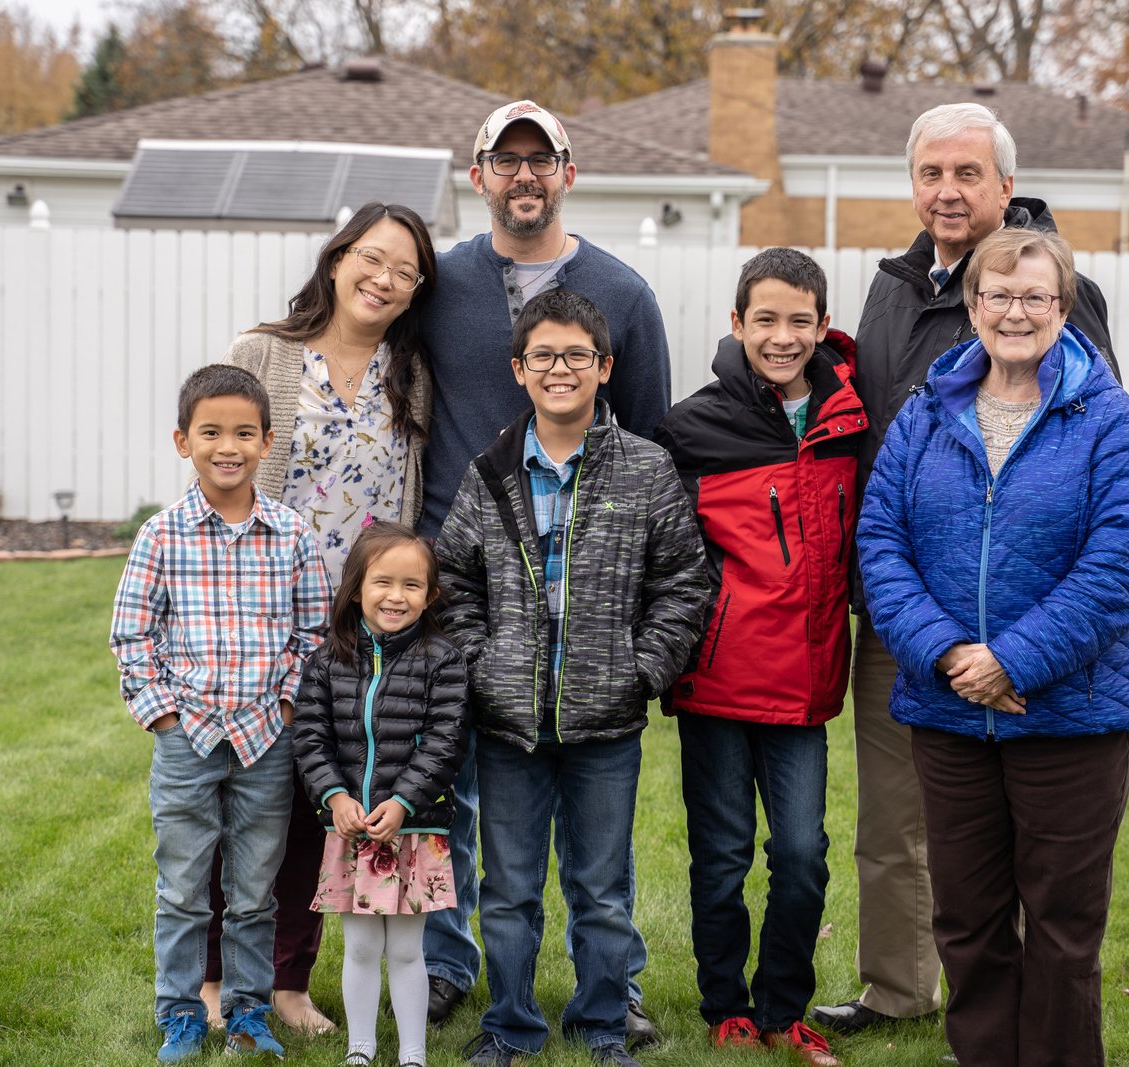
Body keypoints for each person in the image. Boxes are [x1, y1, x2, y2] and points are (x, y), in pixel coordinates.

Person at [812, 101, 1129, 1036]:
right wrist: (930, 635)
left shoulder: (1056, 298)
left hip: (1048, 653)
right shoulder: (895, 287)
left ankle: (1038, 1037)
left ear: (1006, 189)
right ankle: (899, 989)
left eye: (968, 173)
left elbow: (1119, 497)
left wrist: (1022, 651)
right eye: (931, 173)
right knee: (902, 835)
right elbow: (881, 480)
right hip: (917, 632)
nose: (947, 190)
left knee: (1046, 896)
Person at [417, 99, 671, 1045]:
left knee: (595, 851)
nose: (524, 177)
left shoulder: (625, 293)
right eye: (504, 161)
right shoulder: (439, 286)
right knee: (452, 783)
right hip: (462, 565)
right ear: (478, 175)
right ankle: (451, 963)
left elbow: (649, 439)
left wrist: (640, 650)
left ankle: (614, 991)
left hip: (589, 589)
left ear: (569, 171)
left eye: (542, 160)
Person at [434, 290, 707, 1067]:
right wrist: (483, 665)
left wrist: (642, 668)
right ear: (520, 370)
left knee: (602, 888)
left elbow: (685, 582)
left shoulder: (646, 470)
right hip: (509, 722)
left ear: (604, 367)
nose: (561, 369)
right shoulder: (489, 472)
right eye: (544, 356)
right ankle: (510, 1024)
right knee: (510, 889)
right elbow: (451, 579)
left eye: (577, 356)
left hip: (606, 724)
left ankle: (602, 1022)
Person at [204, 202, 438, 1034]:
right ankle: (212, 979)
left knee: (319, 803)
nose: (384, 279)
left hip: (354, 631)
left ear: (416, 292)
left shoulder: (410, 374)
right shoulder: (261, 353)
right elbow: (220, 472)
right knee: (244, 803)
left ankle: (286, 983)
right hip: (262, 613)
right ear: (337, 259)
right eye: (372, 259)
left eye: (405, 271)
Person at [651, 248, 864, 1067]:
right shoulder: (693, 427)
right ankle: (725, 1004)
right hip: (715, 677)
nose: (782, 336)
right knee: (723, 853)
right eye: (765, 320)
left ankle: (784, 1006)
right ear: (737, 324)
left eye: (799, 320)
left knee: (803, 855)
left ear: (822, 324)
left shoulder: (852, 416)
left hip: (805, 681)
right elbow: (664, 557)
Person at [110, 364, 330, 1062]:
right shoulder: (163, 535)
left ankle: (247, 1013)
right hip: (189, 740)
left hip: (267, 738)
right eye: (211, 432)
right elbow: (132, 634)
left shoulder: (292, 533)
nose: (227, 445)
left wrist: (292, 704)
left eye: (243, 432)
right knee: (182, 887)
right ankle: (180, 1012)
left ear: (267, 442)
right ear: (184, 441)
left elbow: (313, 633)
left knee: (254, 890)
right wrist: (163, 716)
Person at [291, 520, 470, 1067]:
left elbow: (446, 740)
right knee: (363, 947)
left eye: (412, 585)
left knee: (408, 949)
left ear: (430, 594)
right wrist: (334, 798)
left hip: (414, 832)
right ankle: (360, 1048)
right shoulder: (327, 661)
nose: (396, 596)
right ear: (357, 588)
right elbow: (310, 736)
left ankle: (413, 1054)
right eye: (382, 583)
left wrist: (404, 803)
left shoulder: (443, 659)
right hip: (351, 831)